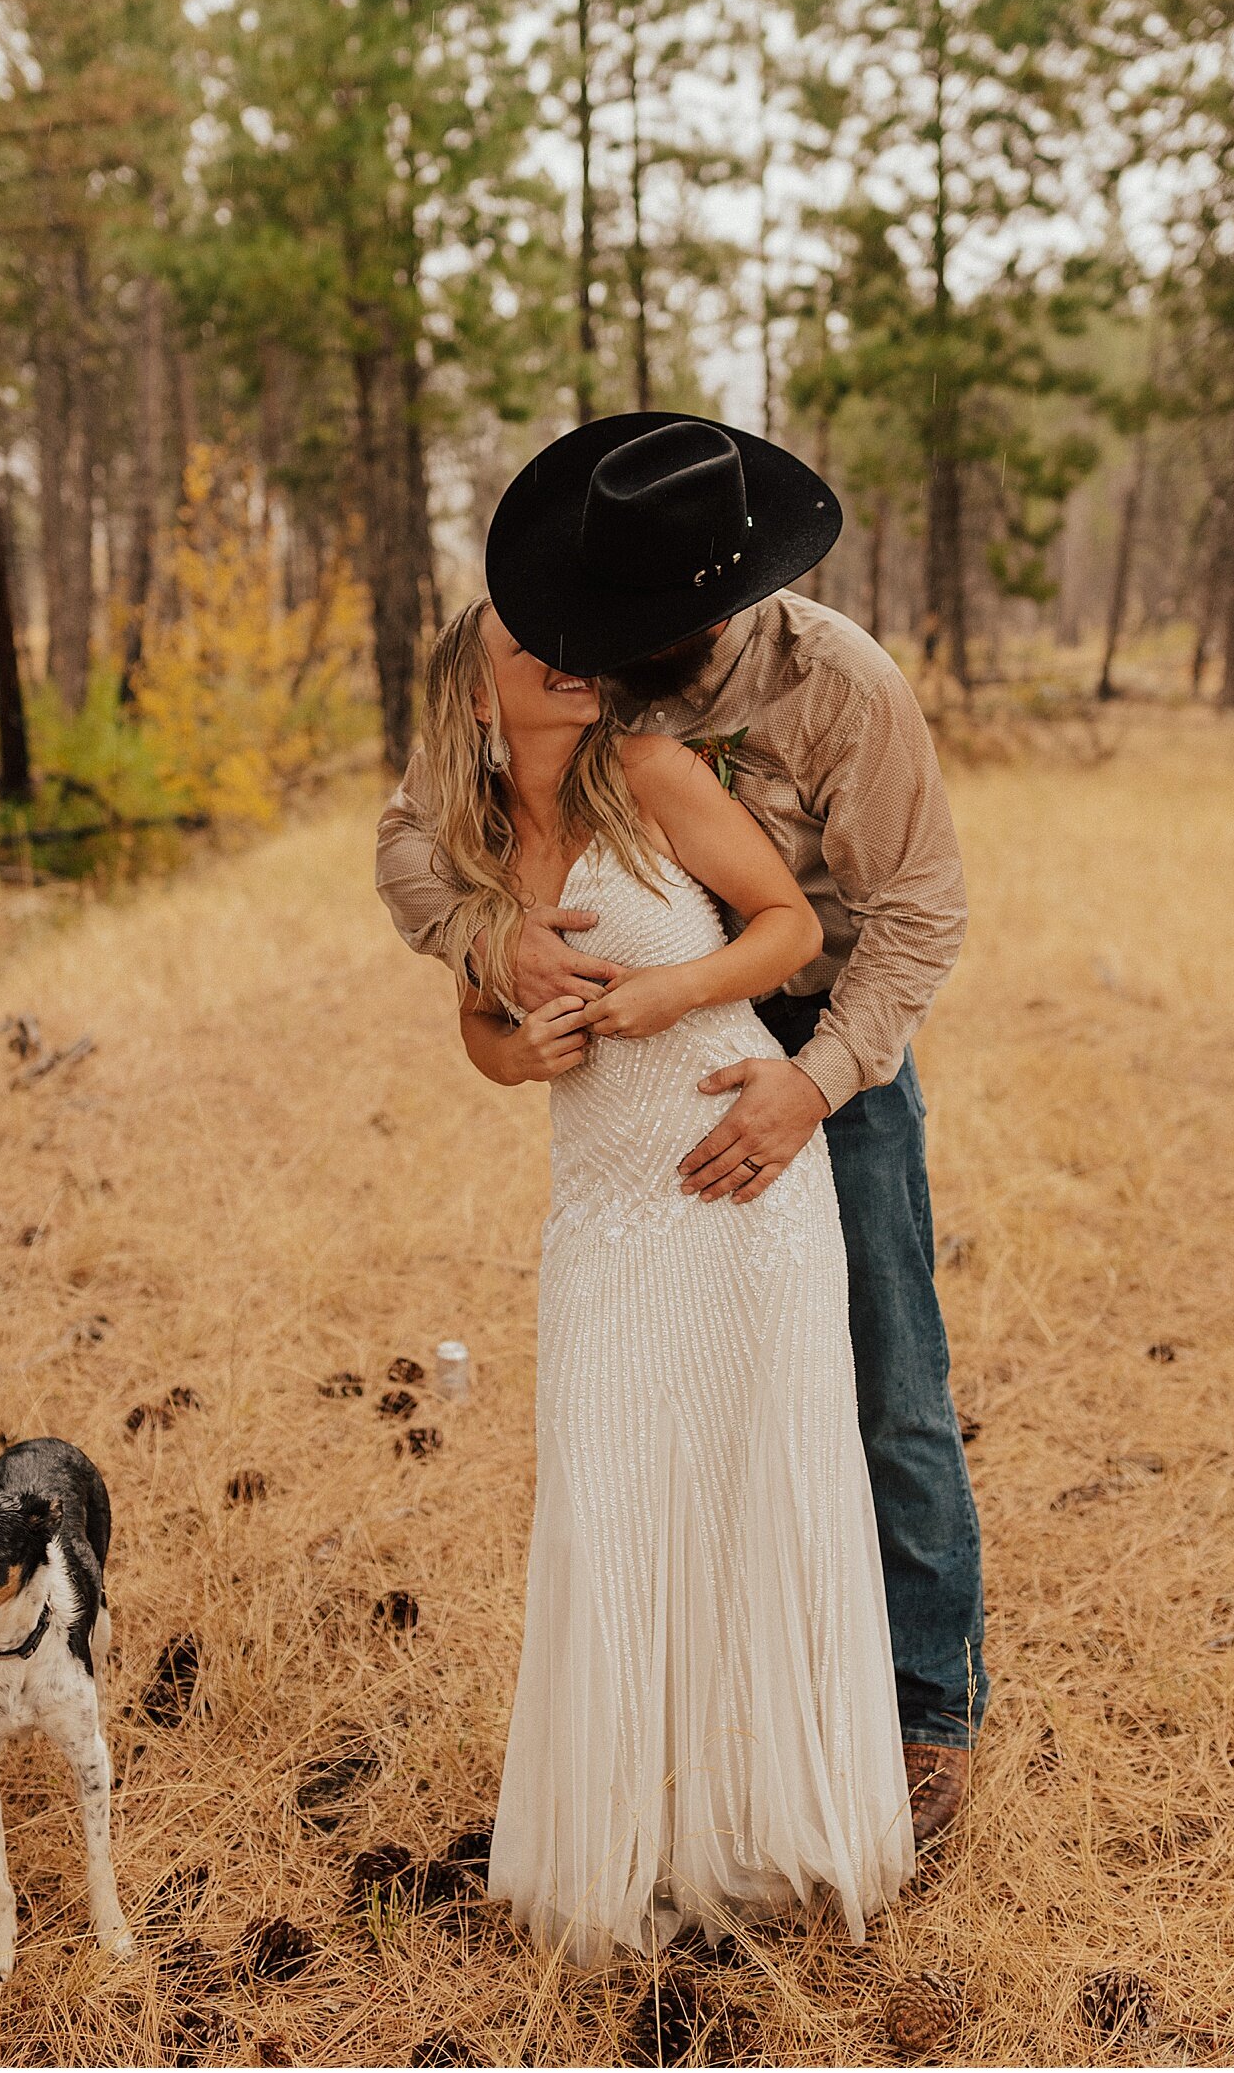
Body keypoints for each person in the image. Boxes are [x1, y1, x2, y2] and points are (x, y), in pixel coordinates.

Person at [377, 415, 987, 1855]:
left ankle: (921, 1712)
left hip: (827, 1037)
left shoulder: (836, 683)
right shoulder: (547, 652)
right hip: (632, 1096)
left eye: (634, 619)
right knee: (664, 1397)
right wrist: (493, 940)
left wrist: (819, 1079)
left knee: (885, 1375)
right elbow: (413, 829)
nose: (593, 642)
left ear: (709, 600)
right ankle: (698, 1716)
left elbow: (920, 912)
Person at [411, 587, 914, 1967]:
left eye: (571, 638)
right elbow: (475, 1016)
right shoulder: (466, 844)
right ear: (472, 697)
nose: (571, 656)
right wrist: (506, 1054)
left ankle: (759, 1828)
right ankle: (633, 1827)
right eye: (533, 648)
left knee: (759, 1475)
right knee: (608, 1485)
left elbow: (786, 931)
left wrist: (665, 994)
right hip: (602, 1200)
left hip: (740, 1175)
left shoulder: (649, 772)